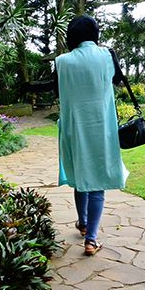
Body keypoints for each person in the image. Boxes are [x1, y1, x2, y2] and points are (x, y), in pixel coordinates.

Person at [56, 15, 129, 256]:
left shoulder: (63, 62)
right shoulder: (108, 55)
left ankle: (83, 221)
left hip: (75, 128)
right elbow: (118, 79)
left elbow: (51, 87)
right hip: (101, 128)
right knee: (97, 182)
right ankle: (91, 239)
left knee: (81, 176)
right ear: (95, 34)